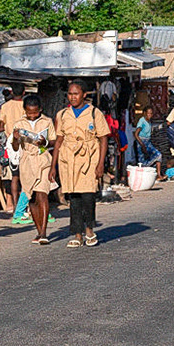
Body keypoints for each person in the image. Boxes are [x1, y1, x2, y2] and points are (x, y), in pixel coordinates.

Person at [54, 79, 109, 247]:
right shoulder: (62, 115)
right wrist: (53, 166)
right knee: (74, 198)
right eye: (70, 94)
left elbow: (103, 138)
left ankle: (89, 230)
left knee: (88, 196)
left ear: (84, 95)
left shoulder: (95, 113)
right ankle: (77, 234)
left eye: (76, 94)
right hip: (68, 160)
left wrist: (101, 164)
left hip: (89, 159)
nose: (73, 97)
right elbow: (58, 140)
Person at [12, 92, 56, 244]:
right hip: (27, 163)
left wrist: (45, 143)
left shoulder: (47, 121)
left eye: (35, 112)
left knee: (42, 194)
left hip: (43, 160)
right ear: (25, 111)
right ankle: (38, 231)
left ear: (40, 109)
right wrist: (16, 139)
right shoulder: (19, 123)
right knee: (31, 197)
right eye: (29, 113)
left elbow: (54, 141)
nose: (32, 116)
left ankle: (43, 232)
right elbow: (15, 147)